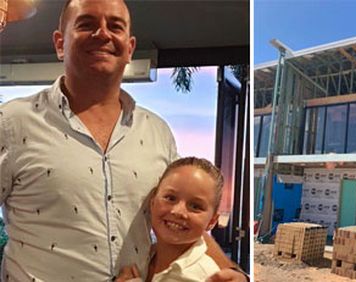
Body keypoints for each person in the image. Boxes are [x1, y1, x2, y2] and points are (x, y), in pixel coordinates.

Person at [0, 0, 245, 281]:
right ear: (60, 43)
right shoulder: (10, 122)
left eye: (115, 26)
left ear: (129, 48)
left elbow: (183, 227)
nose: (103, 34)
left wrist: (233, 272)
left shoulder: (157, 133)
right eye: (87, 24)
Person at [117, 157, 226, 282]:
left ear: (212, 221)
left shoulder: (203, 276)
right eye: (170, 198)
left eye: (195, 206)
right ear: (152, 202)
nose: (178, 211)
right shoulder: (142, 257)